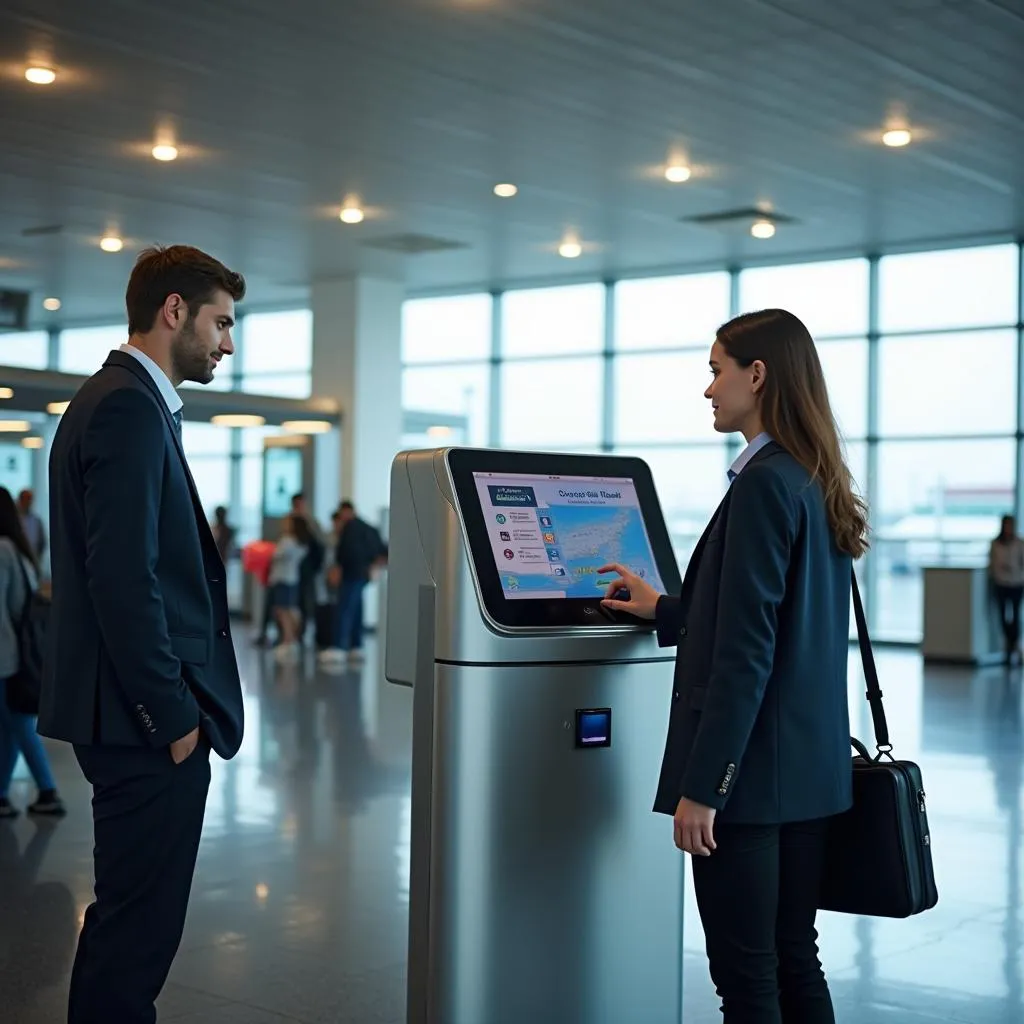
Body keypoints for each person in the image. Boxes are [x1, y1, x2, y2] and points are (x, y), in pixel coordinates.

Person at [599, 308, 868, 1023]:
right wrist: (664, 608)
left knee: (746, 979)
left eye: (717, 370)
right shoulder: (814, 479)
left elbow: (747, 653)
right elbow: (771, 626)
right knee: (792, 957)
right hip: (810, 779)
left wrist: (705, 787)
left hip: (747, 787)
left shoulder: (760, 485)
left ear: (757, 375)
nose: (708, 389)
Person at [41, 244, 247, 1024]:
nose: (227, 342)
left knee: (133, 923)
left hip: (130, 715)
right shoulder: (127, 405)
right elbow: (122, 580)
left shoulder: (123, 400)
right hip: (141, 720)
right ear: (174, 311)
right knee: (137, 931)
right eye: (220, 322)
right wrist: (174, 719)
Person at [0, 486, 65, 818]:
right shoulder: (18, 548)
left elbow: (4, 607)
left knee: (18, 722)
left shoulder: (1, 550)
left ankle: (48, 790)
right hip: (18, 652)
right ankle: (2, 795)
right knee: (11, 722)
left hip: (6, 654)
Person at [320, 501, 386, 666]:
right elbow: (381, 550)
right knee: (356, 610)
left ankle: (338, 647)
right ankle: (355, 646)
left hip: (351, 573)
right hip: (363, 574)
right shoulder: (369, 528)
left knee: (344, 609)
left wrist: (338, 568)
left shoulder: (350, 529)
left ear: (347, 512)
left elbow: (345, 552)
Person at [267, 513, 311, 663]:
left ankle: (288, 640)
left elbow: (274, 555)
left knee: (283, 611)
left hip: (282, 579)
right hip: (292, 578)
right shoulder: (301, 543)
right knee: (288, 609)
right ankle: (291, 639)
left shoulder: (287, 541)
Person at [989, 514, 1024, 666]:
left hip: (1017, 582)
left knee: (1015, 615)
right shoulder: (996, 544)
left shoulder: (1019, 543)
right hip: (1001, 582)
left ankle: (1014, 645)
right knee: (1003, 616)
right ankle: (1009, 645)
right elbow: (992, 563)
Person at [290, 492, 324, 642]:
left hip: (306, 570)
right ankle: (290, 633)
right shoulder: (289, 520)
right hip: (290, 569)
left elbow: (319, 543)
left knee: (305, 601)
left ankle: (302, 632)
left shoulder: (311, 522)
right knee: (288, 602)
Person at [17, 489, 47, 563]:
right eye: (25, 499)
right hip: (18, 559)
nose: (27, 502)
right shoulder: (15, 519)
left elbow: (42, 542)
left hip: (34, 560)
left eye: (29, 499)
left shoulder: (36, 520)